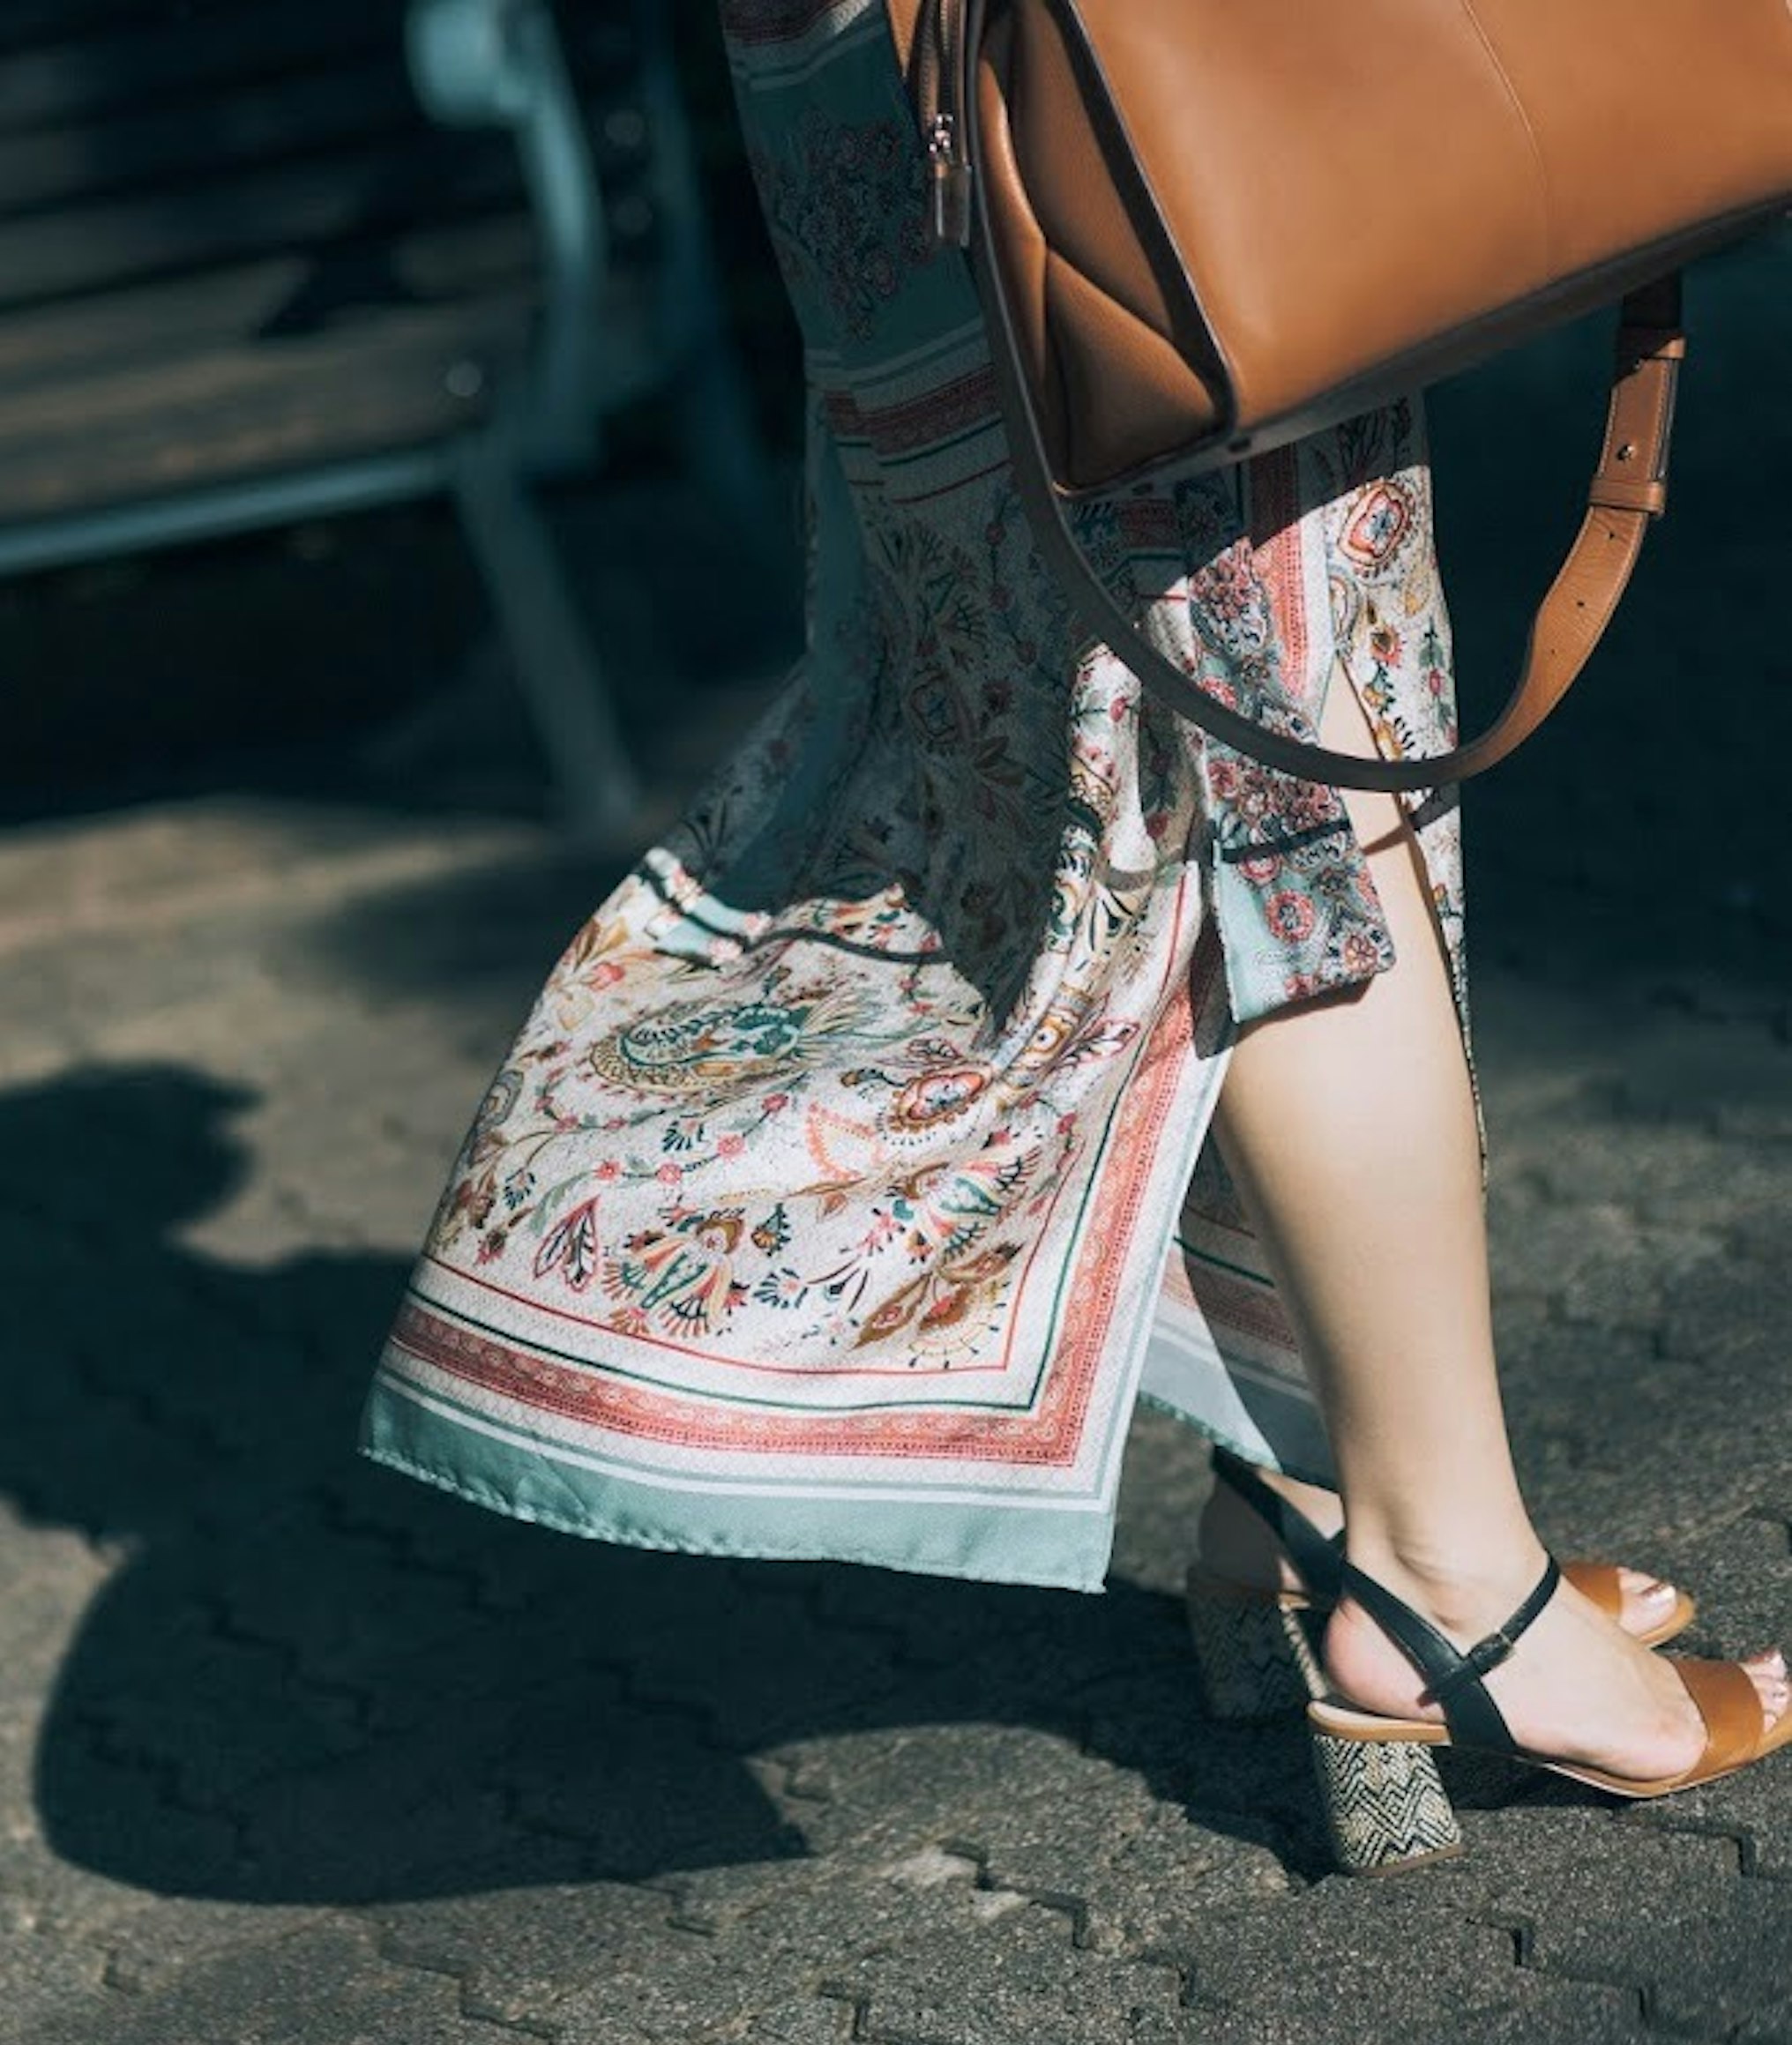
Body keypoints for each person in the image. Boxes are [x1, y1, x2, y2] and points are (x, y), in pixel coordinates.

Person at [359, 0, 1789, 1872]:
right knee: (1287, 791)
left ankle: (1309, 1487)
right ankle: (1453, 1583)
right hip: (1078, 82)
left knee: (1108, 773)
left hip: (881, 89)